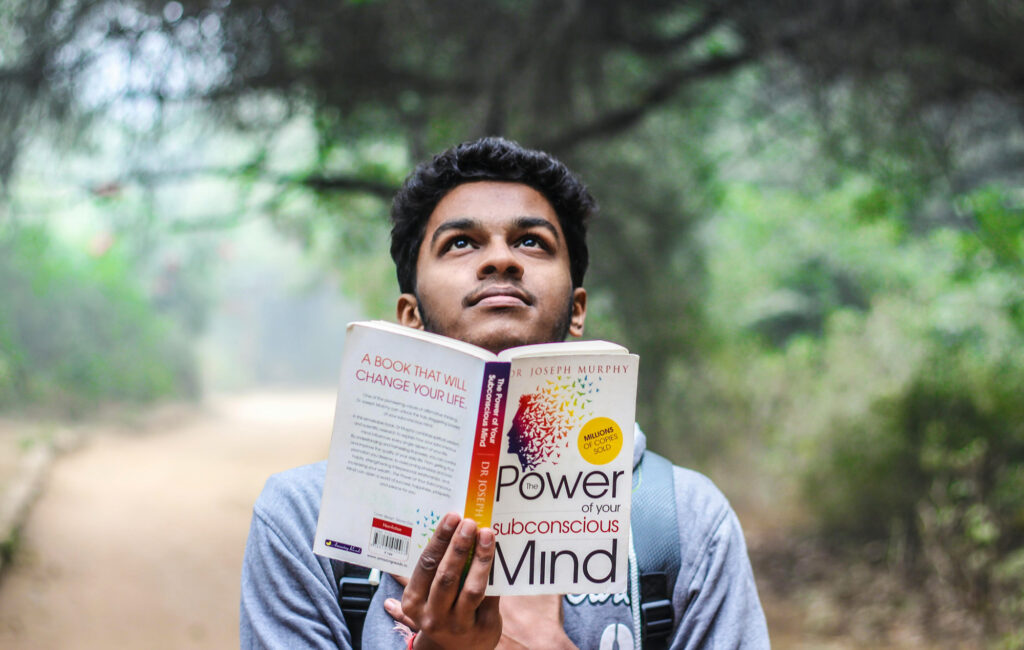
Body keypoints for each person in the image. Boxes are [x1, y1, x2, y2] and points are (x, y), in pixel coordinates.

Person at [240, 137, 770, 649]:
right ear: (410, 317)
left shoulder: (686, 521)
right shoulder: (306, 522)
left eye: (532, 241)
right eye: (461, 243)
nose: (501, 260)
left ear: (577, 308)